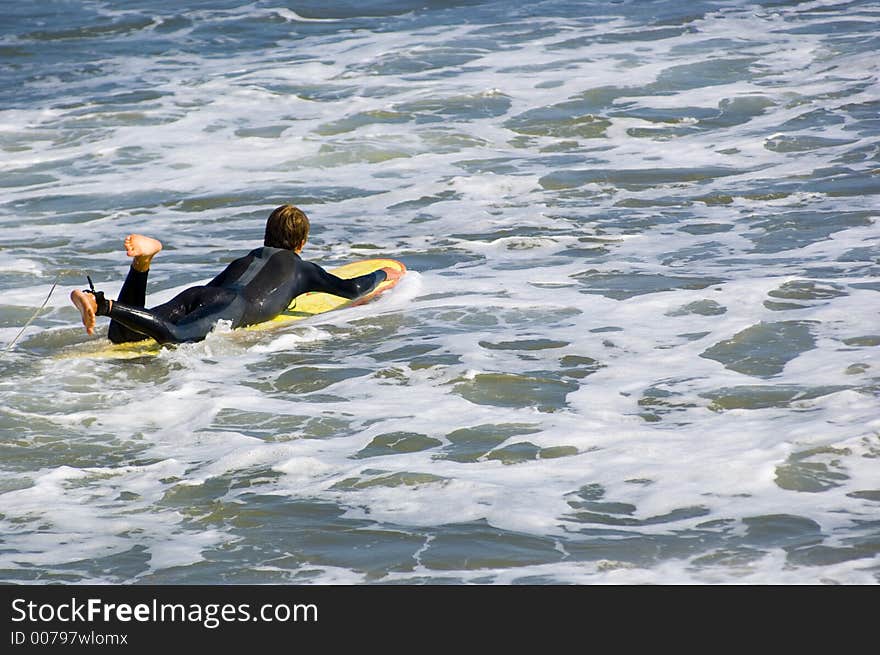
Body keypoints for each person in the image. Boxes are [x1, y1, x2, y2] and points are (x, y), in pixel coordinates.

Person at [70, 204, 396, 344]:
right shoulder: (302, 268)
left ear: (267, 235)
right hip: (232, 306)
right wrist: (384, 274)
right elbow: (352, 288)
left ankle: (141, 264)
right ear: (302, 242)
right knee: (175, 336)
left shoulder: (249, 257)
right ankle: (101, 304)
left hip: (202, 294)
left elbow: (215, 291)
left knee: (122, 336)